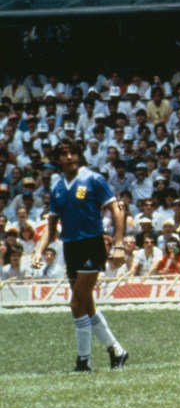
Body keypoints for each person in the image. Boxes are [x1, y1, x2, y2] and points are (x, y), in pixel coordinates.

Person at [31, 139, 129, 372]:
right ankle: (117, 351)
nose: (70, 157)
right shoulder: (57, 188)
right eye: (64, 154)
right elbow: (51, 225)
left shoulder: (93, 179)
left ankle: (84, 361)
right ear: (58, 160)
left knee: (76, 302)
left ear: (79, 155)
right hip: (70, 247)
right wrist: (38, 250)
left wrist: (118, 244)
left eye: (73, 153)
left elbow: (117, 209)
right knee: (86, 303)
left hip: (91, 245)